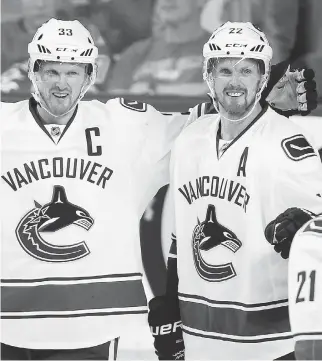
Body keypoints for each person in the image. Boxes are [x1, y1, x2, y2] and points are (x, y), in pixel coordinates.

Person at [0, 17, 316, 361]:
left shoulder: (126, 126)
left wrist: (264, 95)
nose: (61, 84)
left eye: (72, 72)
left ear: (89, 76)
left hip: (89, 325)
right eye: (51, 71)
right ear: (32, 71)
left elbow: (204, 121)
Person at [148, 21, 322, 360]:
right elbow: (181, 238)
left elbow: (318, 228)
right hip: (201, 338)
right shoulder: (190, 140)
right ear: (209, 76)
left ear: (262, 78)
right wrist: (170, 302)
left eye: (246, 70)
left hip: (270, 343)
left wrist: (304, 225)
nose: (235, 81)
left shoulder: (286, 143)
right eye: (225, 70)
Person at [106, 0, 210, 96]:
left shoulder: (220, 50)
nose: (167, 1)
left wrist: (153, 89)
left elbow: (217, 94)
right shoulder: (135, 53)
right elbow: (115, 103)